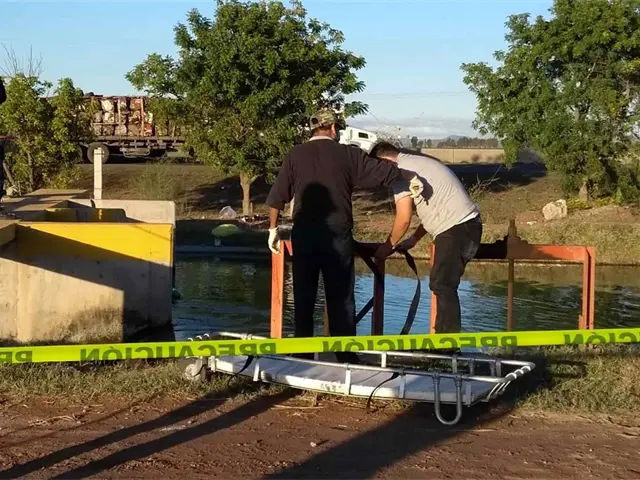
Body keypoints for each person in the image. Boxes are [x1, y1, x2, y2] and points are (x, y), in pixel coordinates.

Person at [266, 110, 424, 363]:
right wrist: (409, 176)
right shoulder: (348, 154)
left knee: (304, 295)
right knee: (341, 297)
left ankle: (302, 354)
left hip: (304, 234)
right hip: (337, 234)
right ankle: (346, 355)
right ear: (333, 128)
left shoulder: (295, 154)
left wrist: (273, 229)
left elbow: (277, 197)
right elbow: (385, 172)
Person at [370, 141, 482, 335]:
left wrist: (385, 249)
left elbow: (403, 219)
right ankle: (443, 342)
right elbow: (434, 208)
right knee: (442, 284)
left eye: (378, 168)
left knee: (442, 284)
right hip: (464, 226)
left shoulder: (399, 173)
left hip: (456, 228)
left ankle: (447, 344)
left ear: (384, 161)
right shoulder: (418, 163)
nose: (380, 175)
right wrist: (414, 239)